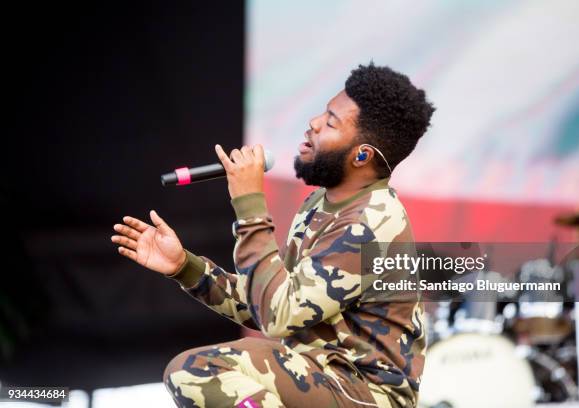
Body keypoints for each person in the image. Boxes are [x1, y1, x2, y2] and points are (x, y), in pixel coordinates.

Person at [111, 63, 435, 408]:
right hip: (325, 377)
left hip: (365, 393)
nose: (313, 123)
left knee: (197, 370)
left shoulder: (371, 221)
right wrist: (185, 267)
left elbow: (279, 316)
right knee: (200, 371)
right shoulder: (321, 203)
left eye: (330, 121)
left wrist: (250, 204)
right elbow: (271, 305)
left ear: (362, 155)